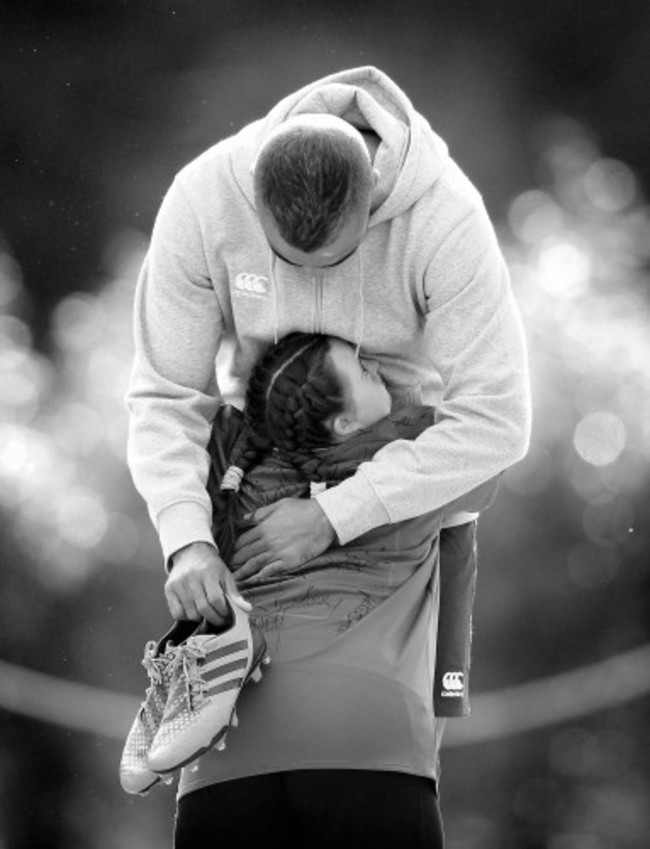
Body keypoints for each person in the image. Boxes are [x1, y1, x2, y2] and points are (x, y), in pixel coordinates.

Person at [125, 66, 531, 640]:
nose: (311, 277)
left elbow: (499, 419)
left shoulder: (447, 217)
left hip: (407, 484)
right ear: (253, 200)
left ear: (373, 199)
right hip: (251, 486)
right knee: (238, 716)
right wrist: (186, 542)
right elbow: (167, 395)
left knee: (396, 719)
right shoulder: (204, 199)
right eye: (286, 258)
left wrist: (335, 515)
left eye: (337, 260)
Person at [168, 331, 500, 848]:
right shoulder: (417, 448)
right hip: (367, 747)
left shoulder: (228, 468)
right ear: (345, 422)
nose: (377, 368)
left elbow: (183, 418)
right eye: (365, 372)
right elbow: (488, 447)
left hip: (223, 758)